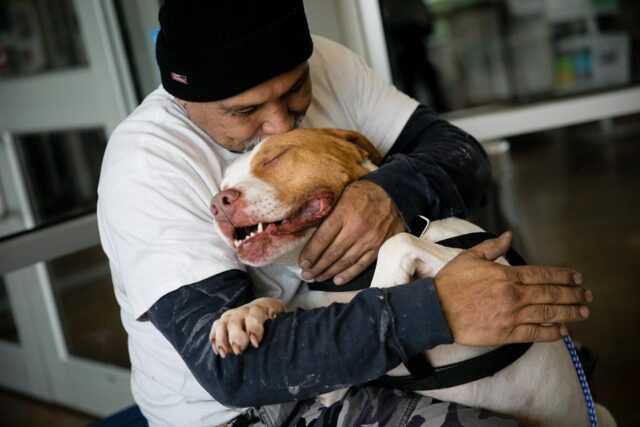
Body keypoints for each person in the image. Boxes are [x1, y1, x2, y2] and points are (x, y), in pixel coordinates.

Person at [97, 1, 592, 426]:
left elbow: (461, 154)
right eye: (245, 112)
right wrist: (439, 309)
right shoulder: (148, 163)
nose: (278, 123)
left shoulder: (326, 60)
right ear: (184, 98)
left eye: (294, 91)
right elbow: (238, 370)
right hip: (253, 409)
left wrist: (390, 192)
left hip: (361, 341)